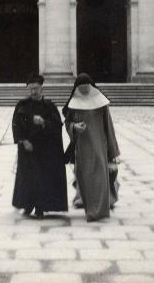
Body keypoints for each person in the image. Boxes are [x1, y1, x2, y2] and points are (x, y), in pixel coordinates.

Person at [62, 73, 120, 222]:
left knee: (100, 179)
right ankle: (90, 209)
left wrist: (113, 152)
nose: (84, 90)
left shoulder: (101, 103)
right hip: (82, 148)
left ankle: (99, 211)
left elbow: (109, 128)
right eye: (81, 88)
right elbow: (67, 123)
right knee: (85, 179)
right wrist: (75, 126)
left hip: (100, 147)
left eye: (86, 87)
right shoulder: (74, 104)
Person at [12, 74, 68, 219]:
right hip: (27, 148)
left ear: (41, 88)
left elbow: (57, 126)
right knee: (27, 178)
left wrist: (43, 123)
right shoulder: (22, 105)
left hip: (45, 150)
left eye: (35, 88)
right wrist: (23, 141)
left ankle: (40, 207)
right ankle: (27, 205)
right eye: (30, 89)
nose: (33, 92)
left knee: (42, 179)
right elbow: (16, 126)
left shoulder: (49, 106)